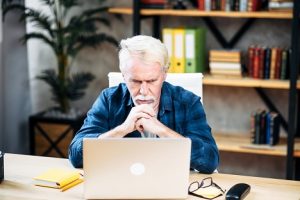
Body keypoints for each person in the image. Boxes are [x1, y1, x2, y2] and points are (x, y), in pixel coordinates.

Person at [69, 35, 219, 173]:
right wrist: (122, 130)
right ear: (123, 76)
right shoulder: (109, 100)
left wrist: (162, 130)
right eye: (135, 81)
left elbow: (210, 161)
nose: (144, 91)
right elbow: (75, 156)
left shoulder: (188, 102)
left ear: (164, 74)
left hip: (170, 184)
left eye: (152, 81)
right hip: (122, 182)